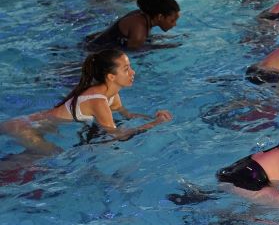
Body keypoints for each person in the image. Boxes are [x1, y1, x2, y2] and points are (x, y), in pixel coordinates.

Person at [0, 49, 173, 156]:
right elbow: (117, 135)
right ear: (111, 77)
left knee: (41, 156)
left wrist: (153, 117)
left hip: (33, 126)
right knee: (59, 160)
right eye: (126, 69)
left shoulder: (111, 93)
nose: (133, 72)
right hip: (23, 128)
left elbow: (128, 115)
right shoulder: (98, 101)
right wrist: (155, 123)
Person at [87, 0, 180, 51]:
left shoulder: (143, 15)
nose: (175, 24)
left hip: (92, 41)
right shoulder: (139, 27)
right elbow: (133, 50)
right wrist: (163, 47)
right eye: (172, 20)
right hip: (93, 51)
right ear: (160, 17)